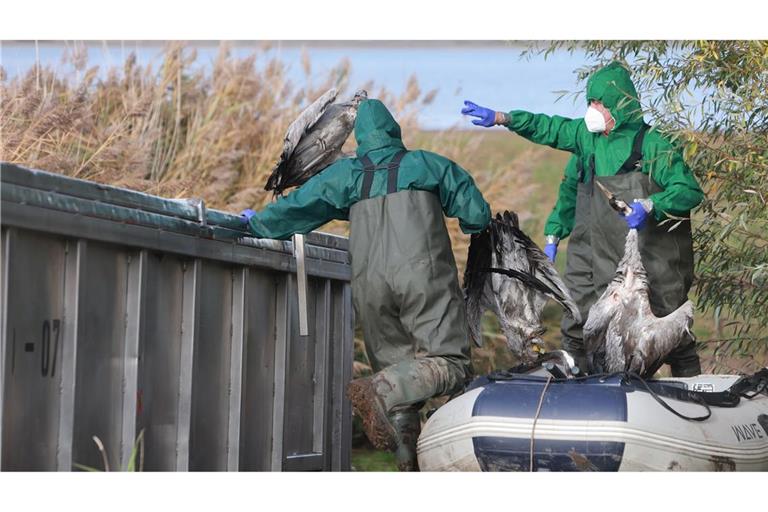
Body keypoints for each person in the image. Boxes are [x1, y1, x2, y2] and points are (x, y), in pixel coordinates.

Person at [242, 98, 491, 470]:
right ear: (395, 131)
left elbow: (302, 206)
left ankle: (409, 465)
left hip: (370, 287)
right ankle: (380, 390)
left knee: (398, 372)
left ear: (359, 138)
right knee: (450, 363)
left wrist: (259, 224)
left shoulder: (347, 175)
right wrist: (475, 228)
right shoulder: (425, 164)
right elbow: (475, 212)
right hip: (423, 278)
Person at [461, 61, 704, 377]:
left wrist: (651, 204)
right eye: (589, 102)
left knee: (670, 325)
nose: (592, 109)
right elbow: (551, 130)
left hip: (654, 258)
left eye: (599, 103)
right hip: (599, 254)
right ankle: (586, 388)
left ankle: (695, 388)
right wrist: (501, 118)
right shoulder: (586, 141)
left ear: (619, 104)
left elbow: (689, 191)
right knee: (583, 324)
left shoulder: (653, 145)